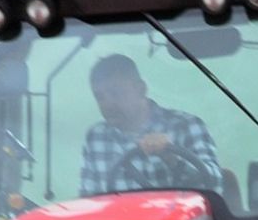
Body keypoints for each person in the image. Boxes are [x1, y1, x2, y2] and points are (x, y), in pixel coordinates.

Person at [80, 54, 224, 196]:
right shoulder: (95, 137)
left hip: (179, 219)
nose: (107, 104)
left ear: (141, 89)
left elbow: (216, 185)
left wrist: (171, 158)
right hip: (119, 219)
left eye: (116, 93)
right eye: (99, 97)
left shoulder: (186, 126)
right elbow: (88, 200)